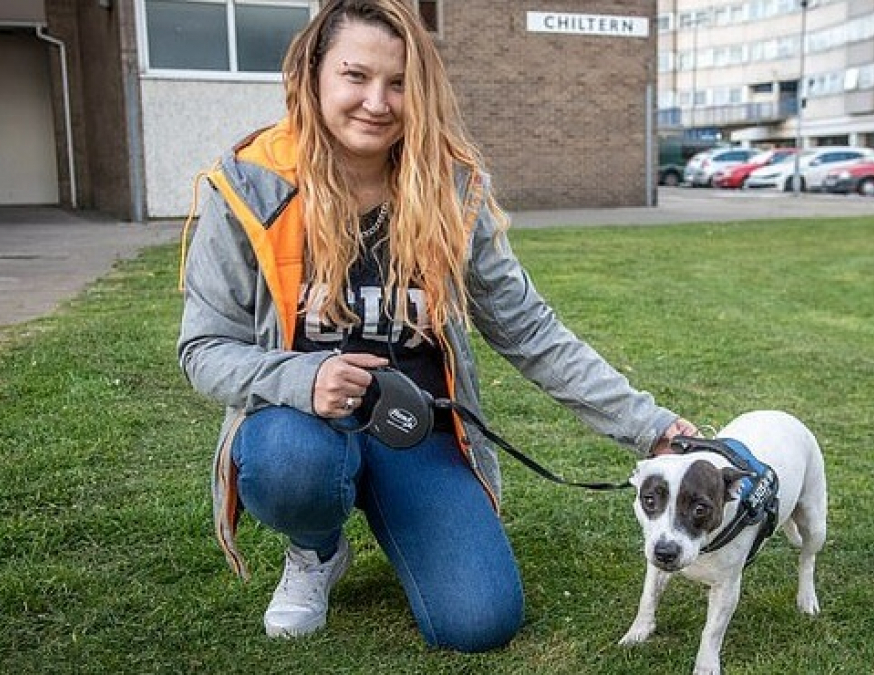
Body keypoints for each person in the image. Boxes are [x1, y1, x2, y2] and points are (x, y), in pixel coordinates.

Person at [177, 0, 696, 652]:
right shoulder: (249, 186)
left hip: (412, 428)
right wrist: (304, 377)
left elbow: (529, 329)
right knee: (289, 460)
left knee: (479, 621)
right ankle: (316, 550)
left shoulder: (451, 187)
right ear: (313, 76)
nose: (377, 100)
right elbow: (203, 348)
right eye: (355, 76)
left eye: (398, 83)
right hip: (300, 423)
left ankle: (401, 510)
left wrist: (651, 427)